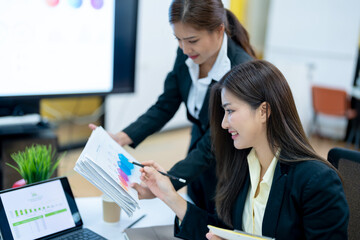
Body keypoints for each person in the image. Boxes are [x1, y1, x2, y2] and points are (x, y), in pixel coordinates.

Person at [138, 60, 349, 240]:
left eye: (230, 111)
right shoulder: (243, 164)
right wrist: (168, 196)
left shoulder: (317, 181)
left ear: (264, 111)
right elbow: (225, 232)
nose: (223, 124)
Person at [90, 0, 255, 213]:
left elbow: (211, 145)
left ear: (219, 30)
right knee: (196, 213)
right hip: (198, 155)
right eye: (178, 39)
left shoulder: (241, 69)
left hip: (229, 164)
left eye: (192, 40)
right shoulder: (187, 54)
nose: (185, 49)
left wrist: (166, 183)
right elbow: (166, 104)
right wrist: (121, 137)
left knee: (220, 221)